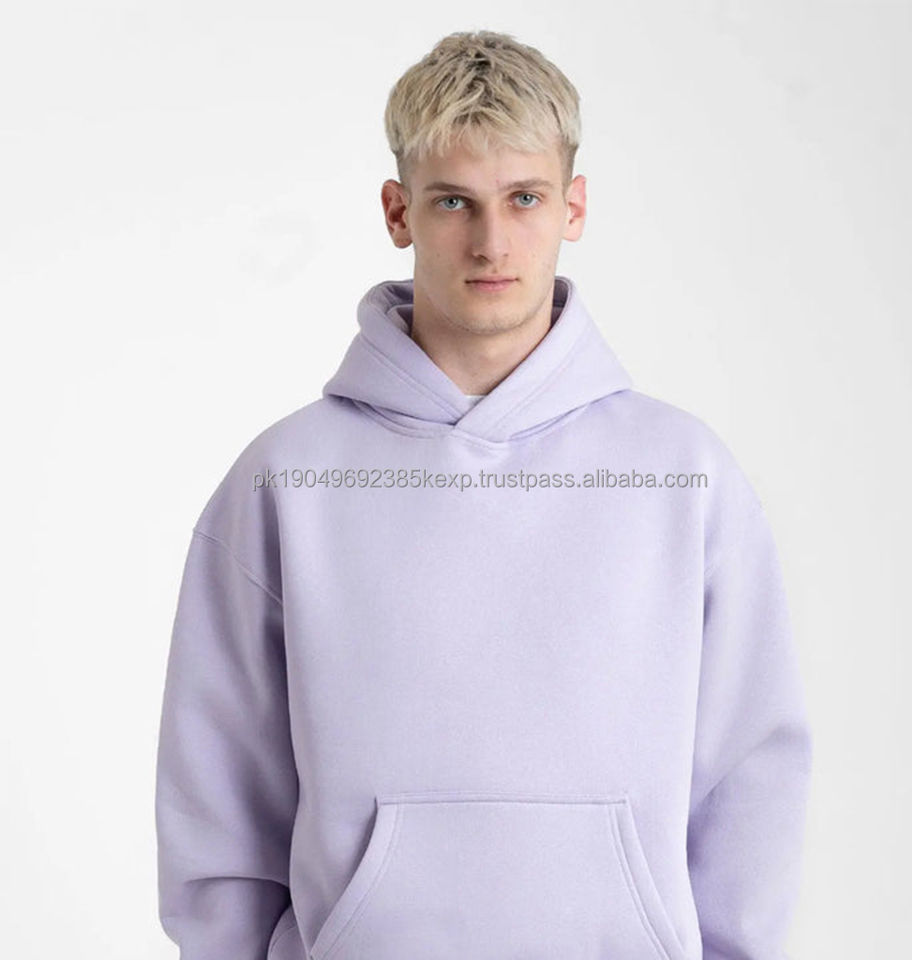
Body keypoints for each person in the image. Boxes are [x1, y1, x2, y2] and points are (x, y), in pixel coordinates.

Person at [155, 28, 813, 960]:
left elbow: (751, 779)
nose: (491, 241)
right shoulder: (287, 481)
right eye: (454, 201)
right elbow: (218, 796)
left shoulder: (683, 476)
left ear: (573, 207)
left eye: (525, 198)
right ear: (399, 211)